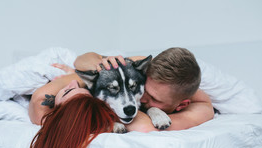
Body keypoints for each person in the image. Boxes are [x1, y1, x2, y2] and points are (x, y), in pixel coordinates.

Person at [73, 47, 215, 131]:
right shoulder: (144, 68)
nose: (142, 98)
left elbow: (144, 127)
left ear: (182, 105)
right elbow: (83, 59)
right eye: (144, 90)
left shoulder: (200, 110)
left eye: (154, 99)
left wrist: (153, 110)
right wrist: (99, 68)